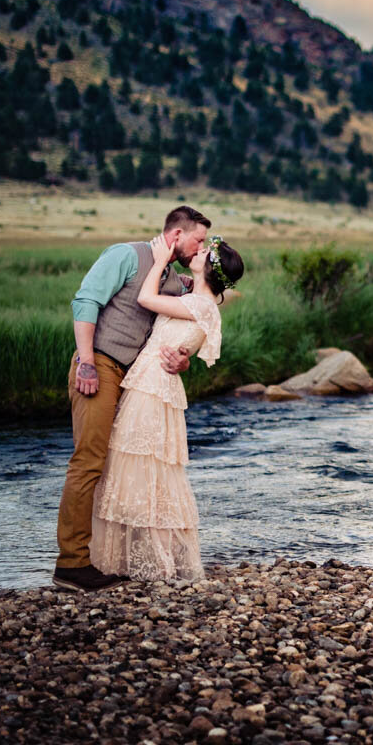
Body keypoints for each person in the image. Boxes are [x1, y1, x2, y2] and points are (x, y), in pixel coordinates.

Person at [52, 206, 210, 592]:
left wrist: (183, 360)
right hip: (101, 367)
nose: (201, 247)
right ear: (176, 235)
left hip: (135, 381)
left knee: (118, 467)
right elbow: (85, 302)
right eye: (199, 240)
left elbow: (176, 333)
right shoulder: (126, 255)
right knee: (89, 461)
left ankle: (109, 557)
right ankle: (71, 565)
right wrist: (86, 362)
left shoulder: (172, 278)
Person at [88, 231, 243, 581]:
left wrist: (159, 261)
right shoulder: (195, 300)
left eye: (205, 252)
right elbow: (180, 344)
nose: (199, 251)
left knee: (140, 470)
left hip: (152, 388)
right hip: (153, 384)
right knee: (141, 470)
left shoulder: (199, 305)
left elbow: (146, 298)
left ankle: (155, 563)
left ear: (210, 270)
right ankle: (136, 559)